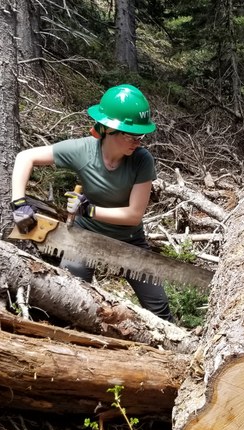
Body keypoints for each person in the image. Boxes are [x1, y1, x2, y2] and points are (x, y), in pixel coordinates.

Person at [10, 84, 174, 322]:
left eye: (141, 136)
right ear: (108, 130)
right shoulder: (83, 151)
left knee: (159, 310)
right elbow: (26, 157)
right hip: (85, 238)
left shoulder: (142, 160)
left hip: (130, 241)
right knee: (70, 298)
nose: (137, 142)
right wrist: (19, 203)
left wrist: (90, 209)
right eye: (131, 135)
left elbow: (133, 215)